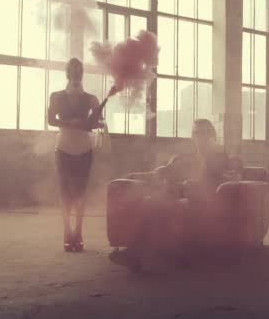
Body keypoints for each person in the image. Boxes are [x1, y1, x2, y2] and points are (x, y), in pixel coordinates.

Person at [110, 119, 241, 270]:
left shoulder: (220, 157)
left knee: (174, 196)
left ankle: (145, 254)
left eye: (203, 132)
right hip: (181, 195)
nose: (199, 136)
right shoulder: (187, 158)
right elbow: (166, 172)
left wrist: (207, 180)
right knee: (153, 202)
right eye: (195, 133)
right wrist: (142, 175)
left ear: (211, 135)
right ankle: (137, 252)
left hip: (205, 201)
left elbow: (229, 177)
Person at [47, 58, 104, 252]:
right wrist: (71, 123)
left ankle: (78, 231)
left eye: (79, 71)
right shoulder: (55, 96)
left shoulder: (92, 99)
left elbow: (99, 123)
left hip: (84, 148)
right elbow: (50, 120)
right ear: (67, 73)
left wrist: (92, 121)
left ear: (82, 74)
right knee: (65, 193)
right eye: (73, 70)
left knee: (80, 193)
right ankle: (66, 231)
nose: (76, 74)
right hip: (63, 147)